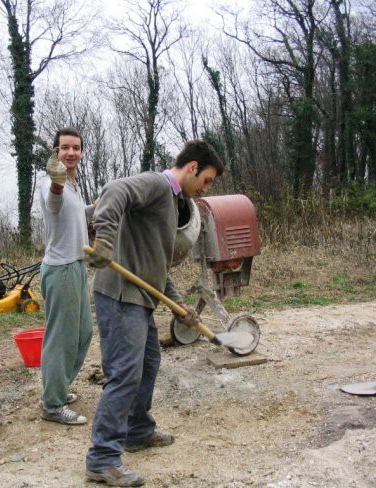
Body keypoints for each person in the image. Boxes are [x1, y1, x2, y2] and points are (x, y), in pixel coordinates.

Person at [85, 140, 224, 486]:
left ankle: (137, 430)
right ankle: (102, 458)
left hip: (141, 296)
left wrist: (180, 309)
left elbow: (157, 266)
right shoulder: (158, 184)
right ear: (191, 167)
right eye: (206, 180)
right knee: (124, 373)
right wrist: (104, 240)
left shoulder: (172, 201)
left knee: (149, 363)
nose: (205, 189)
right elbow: (114, 191)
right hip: (120, 296)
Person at [38, 127, 94, 425]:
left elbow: (75, 212)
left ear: (81, 152)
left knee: (83, 334)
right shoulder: (53, 184)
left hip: (77, 265)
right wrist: (57, 184)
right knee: (61, 339)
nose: (71, 152)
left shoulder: (73, 185)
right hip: (61, 269)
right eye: (65, 148)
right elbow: (54, 204)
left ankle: (55, 388)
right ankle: (52, 405)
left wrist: (95, 207)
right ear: (56, 152)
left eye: (76, 148)